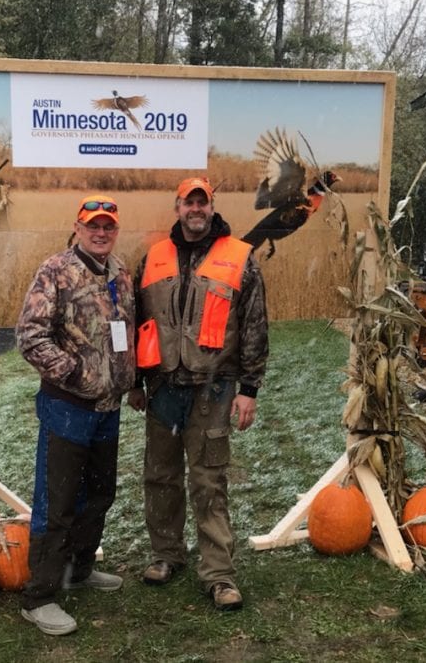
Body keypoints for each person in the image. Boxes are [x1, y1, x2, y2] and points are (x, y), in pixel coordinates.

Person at [128, 177, 269, 611]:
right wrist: (135, 381)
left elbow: (254, 326)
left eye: (201, 203)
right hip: (164, 388)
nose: (195, 210)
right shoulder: (153, 258)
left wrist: (249, 388)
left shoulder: (239, 258)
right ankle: (166, 554)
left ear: (212, 207)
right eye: (188, 203)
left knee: (209, 482)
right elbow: (136, 322)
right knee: (160, 477)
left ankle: (219, 574)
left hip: (214, 390)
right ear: (177, 207)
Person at [15, 194, 136, 636]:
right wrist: (74, 372)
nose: (100, 232)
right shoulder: (56, 271)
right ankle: (40, 596)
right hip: (68, 407)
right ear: (78, 226)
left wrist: (128, 381)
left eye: (108, 226)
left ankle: (80, 569)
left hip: (109, 408)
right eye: (93, 225)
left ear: (115, 230)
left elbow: (126, 333)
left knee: (100, 494)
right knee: (58, 503)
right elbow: (30, 335)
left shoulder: (121, 273)